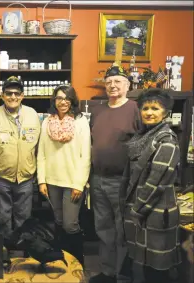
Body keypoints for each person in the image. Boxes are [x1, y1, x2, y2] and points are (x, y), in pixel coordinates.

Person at [89, 64, 141, 283]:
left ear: (127, 85)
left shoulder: (135, 109)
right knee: (103, 229)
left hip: (122, 181)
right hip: (98, 179)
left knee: (121, 230)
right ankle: (107, 272)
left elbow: (143, 144)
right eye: (109, 82)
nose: (112, 85)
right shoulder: (98, 110)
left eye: (117, 81)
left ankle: (122, 275)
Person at [123, 89, 181, 283]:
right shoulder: (142, 137)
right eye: (145, 108)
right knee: (145, 263)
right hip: (142, 210)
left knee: (158, 267)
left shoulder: (167, 142)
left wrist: (137, 210)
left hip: (156, 212)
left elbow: (156, 183)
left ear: (165, 113)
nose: (149, 112)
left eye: (155, 108)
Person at [37, 85, 91, 265]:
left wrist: (79, 184)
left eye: (67, 98)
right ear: (54, 100)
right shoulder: (47, 122)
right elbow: (41, 154)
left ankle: (78, 262)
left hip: (72, 182)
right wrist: (41, 180)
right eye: (59, 98)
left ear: (72, 101)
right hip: (52, 181)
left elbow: (86, 155)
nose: (63, 102)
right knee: (58, 222)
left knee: (70, 224)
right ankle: (63, 262)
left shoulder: (80, 121)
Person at [0, 76, 41, 240]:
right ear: (2, 95)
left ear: (22, 96)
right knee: (3, 218)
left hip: (26, 178)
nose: (13, 97)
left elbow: (38, 146)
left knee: (24, 218)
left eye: (17, 93)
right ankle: (5, 255)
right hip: (2, 177)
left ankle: (23, 255)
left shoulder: (32, 114)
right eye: (9, 93)